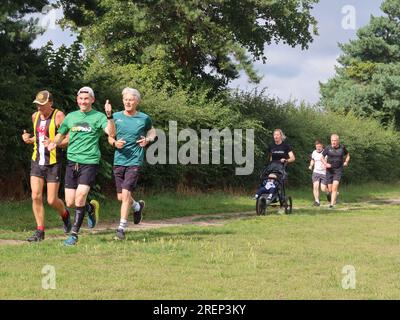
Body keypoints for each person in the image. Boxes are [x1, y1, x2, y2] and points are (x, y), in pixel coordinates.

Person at [48, 86, 116, 245]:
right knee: (70, 202)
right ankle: (90, 209)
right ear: (77, 100)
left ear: (92, 100)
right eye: (81, 99)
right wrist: (54, 143)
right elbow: (61, 133)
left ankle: (74, 235)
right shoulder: (71, 117)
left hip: (89, 162)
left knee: (79, 198)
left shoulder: (99, 117)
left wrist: (109, 116)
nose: (83, 101)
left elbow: (111, 133)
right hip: (72, 162)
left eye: (87, 99)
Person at [107, 88, 156, 240]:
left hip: (135, 160)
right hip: (119, 160)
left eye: (131, 100)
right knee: (121, 197)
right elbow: (110, 136)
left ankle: (121, 229)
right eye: (126, 99)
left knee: (126, 194)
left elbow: (152, 132)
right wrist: (115, 143)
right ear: (123, 101)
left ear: (137, 102)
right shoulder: (115, 117)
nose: (128, 102)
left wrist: (147, 140)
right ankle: (137, 206)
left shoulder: (144, 118)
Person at [21, 90, 71, 242]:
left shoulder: (59, 116)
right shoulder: (35, 116)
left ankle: (65, 215)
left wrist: (54, 143)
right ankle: (40, 232)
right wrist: (28, 139)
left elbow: (68, 138)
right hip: (37, 161)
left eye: (42, 105)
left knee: (51, 200)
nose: (39, 108)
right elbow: (38, 138)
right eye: (37, 104)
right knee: (35, 196)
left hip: (53, 163)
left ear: (50, 103)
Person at [320, 134, 350, 209]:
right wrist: (325, 164)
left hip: (338, 170)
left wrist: (346, 161)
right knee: (330, 189)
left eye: (335, 141)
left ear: (338, 141)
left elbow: (348, 155)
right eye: (332, 140)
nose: (333, 142)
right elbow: (322, 157)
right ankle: (334, 194)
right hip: (329, 170)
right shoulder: (328, 148)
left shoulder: (342, 148)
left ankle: (332, 204)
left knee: (335, 187)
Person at [308, 140, 328, 206]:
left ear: (322, 146)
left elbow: (327, 161)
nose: (318, 148)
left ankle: (329, 193)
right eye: (317, 146)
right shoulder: (314, 152)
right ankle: (317, 201)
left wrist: (325, 165)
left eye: (319, 146)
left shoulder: (325, 152)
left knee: (323, 189)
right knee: (315, 186)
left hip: (324, 173)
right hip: (316, 172)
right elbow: (312, 160)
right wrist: (311, 165)